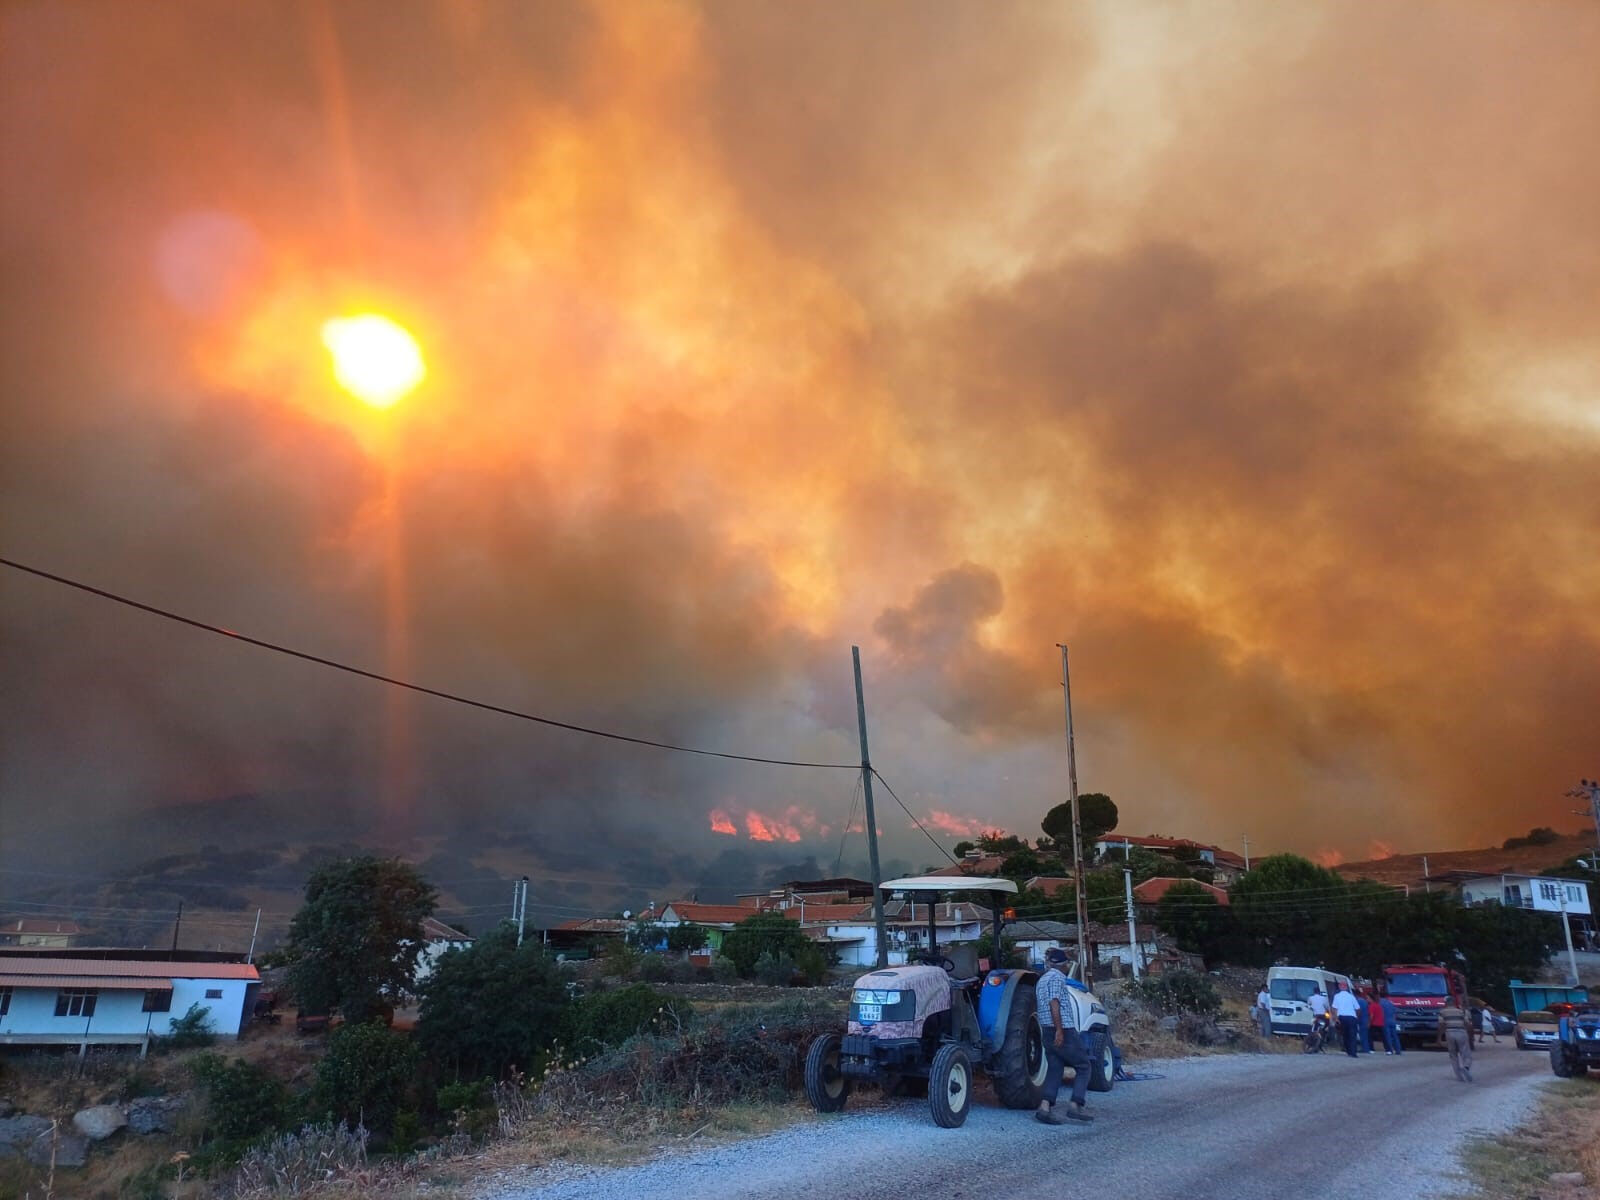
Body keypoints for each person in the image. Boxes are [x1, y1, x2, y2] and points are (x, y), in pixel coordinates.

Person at [1034, 947, 1093, 1125]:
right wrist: (1060, 1030)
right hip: (1062, 1029)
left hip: (1045, 1028)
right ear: (1064, 964)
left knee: (1055, 1067)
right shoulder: (1058, 978)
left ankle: (1045, 1107)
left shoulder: (1042, 979)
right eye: (1067, 963)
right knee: (1084, 1065)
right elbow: (1054, 1003)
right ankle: (1075, 1104)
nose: (1068, 966)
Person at [1438, 996, 1474, 1081]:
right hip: (1461, 1032)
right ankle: (1466, 1067)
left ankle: (1459, 1076)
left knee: (1453, 1054)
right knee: (1465, 1052)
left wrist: (1439, 1038)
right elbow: (1468, 1024)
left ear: (1445, 1003)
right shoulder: (1460, 1011)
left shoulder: (1442, 1012)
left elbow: (1441, 1025)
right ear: (1453, 1002)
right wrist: (1469, 1035)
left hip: (1449, 1032)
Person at [1331, 981, 1362, 1058]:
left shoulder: (1337, 996)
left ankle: (1348, 1051)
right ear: (1347, 987)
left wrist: (1335, 1018)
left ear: (1339, 987)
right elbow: (1358, 1008)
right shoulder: (1351, 996)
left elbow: (1334, 1008)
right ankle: (1353, 1052)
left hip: (1342, 1017)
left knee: (1345, 1035)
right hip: (1352, 1017)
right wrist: (1357, 1017)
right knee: (1352, 1035)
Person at [1379, 988, 1403, 1055]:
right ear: (1386, 996)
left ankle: (1390, 1050)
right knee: (1395, 1036)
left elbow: (1381, 1013)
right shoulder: (1390, 1003)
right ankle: (1398, 1050)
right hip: (1392, 1021)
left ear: (1379, 996)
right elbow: (1395, 1012)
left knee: (1387, 1036)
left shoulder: (1380, 1003)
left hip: (1385, 1021)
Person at [1367, 989, 1389, 1055]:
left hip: (1374, 1023)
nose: (1367, 999)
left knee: (1370, 1037)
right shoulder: (1378, 1005)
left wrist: (1369, 1023)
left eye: (1367, 998)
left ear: (1371, 999)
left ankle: (1371, 1049)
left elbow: (1371, 1016)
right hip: (1381, 1023)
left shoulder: (1371, 1006)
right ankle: (1388, 1050)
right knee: (1383, 1037)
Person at [1358, 985, 1374, 1053]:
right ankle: (1367, 1048)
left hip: (1362, 1021)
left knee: (1363, 1036)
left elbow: (1359, 1011)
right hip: (1365, 1020)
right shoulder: (1364, 1002)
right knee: (1365, 1036)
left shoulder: (1358, 1001)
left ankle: (1365, 1049)